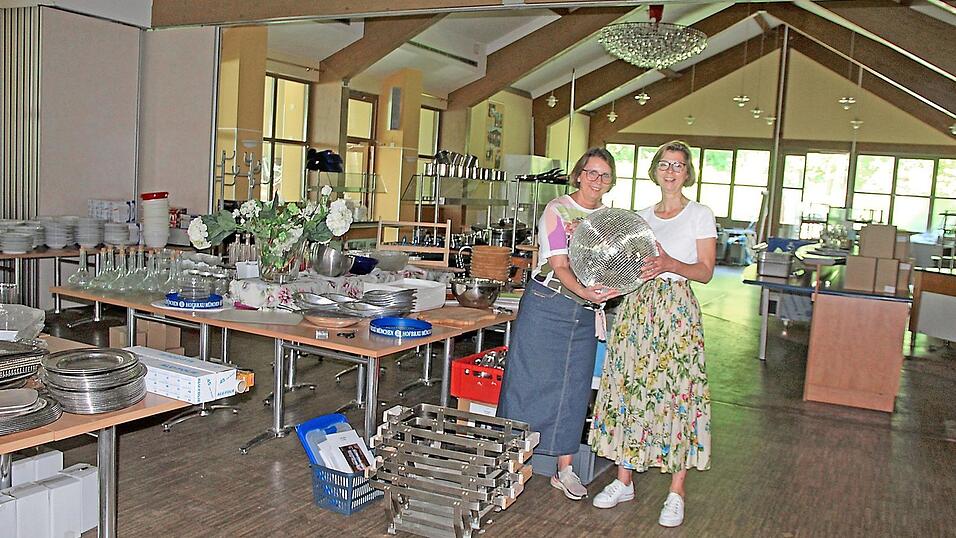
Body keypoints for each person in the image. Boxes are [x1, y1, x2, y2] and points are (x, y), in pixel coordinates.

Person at [588, 140, 717, 527]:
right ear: (655, 171)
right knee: (631, 388)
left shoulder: (700, 214)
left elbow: (706, 271)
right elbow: (626, 267)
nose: (671, 171)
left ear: (687, 172)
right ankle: (624, 478)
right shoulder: (640, 217)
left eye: (679, 165)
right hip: (638, 309)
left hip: (676, 310)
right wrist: (604, 283)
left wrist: (668, 263)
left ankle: (676, 491)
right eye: (665, 164)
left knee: (678, 392)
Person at [497, 147, 621, 501]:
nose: (597, 180)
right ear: (579, 175)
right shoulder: (558, 209)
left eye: (605, 175)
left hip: (583, 312)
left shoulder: (610, 219)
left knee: (574, 388)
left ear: (610, 183)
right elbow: (559, 262)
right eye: (591, 173)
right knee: (526, 384)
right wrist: (585, 290)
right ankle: (510, 463)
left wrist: (612, 286)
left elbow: (616, 263)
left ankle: (564, 470)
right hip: (547, 304)